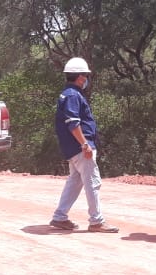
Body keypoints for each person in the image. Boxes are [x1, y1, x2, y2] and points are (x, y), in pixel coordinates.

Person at [48, 58, 119, 233]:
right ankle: (96, 221)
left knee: (75, 181)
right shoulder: (73, 95)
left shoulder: (68, 94)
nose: (86, 79)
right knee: (92, 182)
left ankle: (60, 217)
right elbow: (73, 123)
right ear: (80, 77)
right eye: (85, 75)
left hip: (73, 148)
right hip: (80, 147)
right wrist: (85, 144)